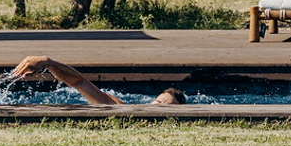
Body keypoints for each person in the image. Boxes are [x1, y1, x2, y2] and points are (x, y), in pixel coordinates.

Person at [11, 56, 186, 105]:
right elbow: (79, 83)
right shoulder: (122, 109)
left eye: (167, 107)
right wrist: (49, 63)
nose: (159, 107)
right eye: (158, 102)